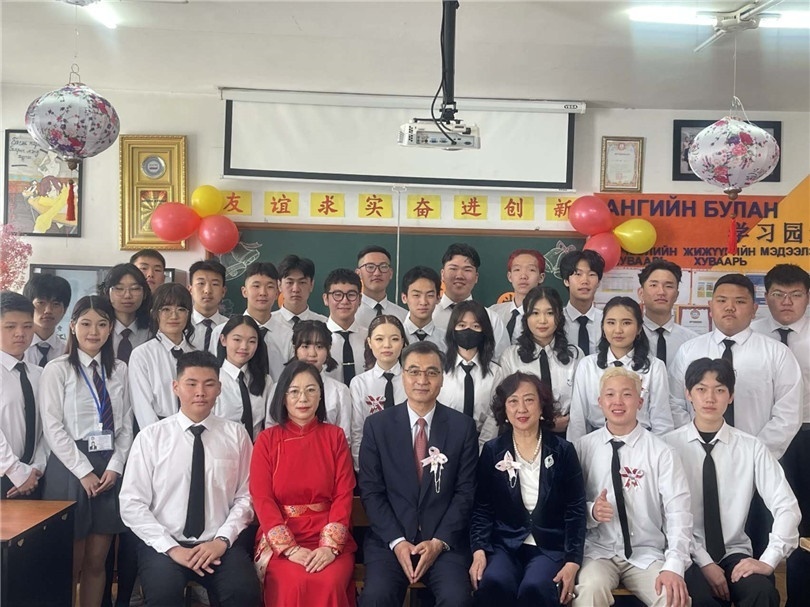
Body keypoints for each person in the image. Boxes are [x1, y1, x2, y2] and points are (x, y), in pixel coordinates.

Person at [119, 351, 260, 607]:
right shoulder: (151, 437)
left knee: (244, 593)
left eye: (209, 384)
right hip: (165, 545)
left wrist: (222, 540)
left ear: (219, 388)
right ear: (176, 387)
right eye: (191, 384)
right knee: (163, 598)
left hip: (219, 543)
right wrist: (172, 548)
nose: (200, 392)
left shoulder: (236, 435)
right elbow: (132, 503)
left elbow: (246, 496)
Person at [663, 358, 800, 607]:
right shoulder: (667, 447)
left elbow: (787, 507)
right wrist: (705, 561)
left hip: (734, 552)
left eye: (719, 390)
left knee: (761, 592)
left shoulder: (752, 447)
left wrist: (768, 560)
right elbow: (664, 515)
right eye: (701, 389)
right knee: (695, 599)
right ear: (688, 394)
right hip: (686, 552)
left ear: (731, 396)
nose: (710, 398)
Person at [358, 340, 478, 607]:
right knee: (376, 598)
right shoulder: (377, 426)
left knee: (457, 599)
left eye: (431, 372)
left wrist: (438, 542)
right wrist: (398, 541)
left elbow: (465, 493)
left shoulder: (462, 427)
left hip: (443, 542)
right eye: (414, 371)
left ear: (442, 379)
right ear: (402, 376)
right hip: (391, 541)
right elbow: (371, 491)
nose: (422, 380)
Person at [39, 296, 134, 607]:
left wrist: (116, 466)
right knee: (70, 563)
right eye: (86, 323)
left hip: (108, 467)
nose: (94, 331)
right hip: (70, 467)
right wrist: (83, 471)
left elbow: (125, 425)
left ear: (111, 328)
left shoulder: (119, 369)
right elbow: (53, 428)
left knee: (97, 562)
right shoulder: (57, 369)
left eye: (102, 324)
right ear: (72, 326)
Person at [573, 367, 691, 607]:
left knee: (673, 598)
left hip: (646, 554)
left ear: (640, 402)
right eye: (610, 395)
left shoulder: (662, 452)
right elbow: (568, 507)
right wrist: (591, 511)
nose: (618, 401)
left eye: (626, 394)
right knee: (590, 590)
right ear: (600, 402)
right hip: (598, 552)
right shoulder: (582, 448)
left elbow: (678, 513)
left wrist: (674, 566)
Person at [469, 372, 586, 606]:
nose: (521, 408)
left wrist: (573, 561)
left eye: (529, 400)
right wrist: (479, 549)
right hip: (504, 544)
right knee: (494, 581)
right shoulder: (493, 450)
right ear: (504, 409)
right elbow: (482, 507)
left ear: (542, 406)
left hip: (549, 546)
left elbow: (576, 509)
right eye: (513, 401)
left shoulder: (563, 451)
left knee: (536, 586)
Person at [251, 360, 357, 607]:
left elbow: (344, 494)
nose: (303, 398)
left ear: (320, 395)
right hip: (282, 538)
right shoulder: (267, 440)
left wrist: (329, 547)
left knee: (329, 581)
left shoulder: (335, 436)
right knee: (293, 582)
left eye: (311, 390)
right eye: (294, 391)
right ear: (283, 397)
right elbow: (262, 498)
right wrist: (289, 549)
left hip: (328, 535)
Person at [669, 273, 802, 459]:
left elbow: (787, 415)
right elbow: (675, 403)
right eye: (722, 300)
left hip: (756, 459)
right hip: (695, 457)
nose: (730, 307)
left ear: (754, 309)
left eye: (740, 301)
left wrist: (753, 454)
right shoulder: (688, 350)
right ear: (710, 307)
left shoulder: (777, 353)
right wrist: (696, 444)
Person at [750, 263, 810, 606]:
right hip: (764, 438)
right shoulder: (751, 332)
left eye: (795, 295)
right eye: (778, 294)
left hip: (807, 437)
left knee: (806, 524)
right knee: (764, 517)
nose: (787, 302)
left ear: (807, 297)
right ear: (765, 296)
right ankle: (763, 593)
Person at [568, 296, 674, 443]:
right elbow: (577, 420)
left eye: (626, 323)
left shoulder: (655, 367)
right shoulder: (587, 365)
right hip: (595, 443)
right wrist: (576, 453)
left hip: (640, 443)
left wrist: (656, 453)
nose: (618, 330)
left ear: (639, 328)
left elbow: (662, 421)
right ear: (603, 328)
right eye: (611, 322)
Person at [500, 286, 583, 436]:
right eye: (535, 313)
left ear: (559, 316)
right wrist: (543, 423)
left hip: (567, 433)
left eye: (550, 313)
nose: (542, 320)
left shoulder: (575, 355)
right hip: (524, 433)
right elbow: (505, 402)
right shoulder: (511, 356)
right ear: (526, 317)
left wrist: (569, 421)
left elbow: (582, 402)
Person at [267, 320, 352, 443]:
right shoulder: (278, 388)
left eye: (319, 347)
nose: (312, 354)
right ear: (295, 348)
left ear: (328, 349)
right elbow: (271, 430)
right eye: (305, 346)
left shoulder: (339, 391)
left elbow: (345, 437)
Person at [208, 261, 292, 382]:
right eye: (256, 286)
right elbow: (213, 372)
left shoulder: (288, 335)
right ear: (244, 291)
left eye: (269, 287)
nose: (263, 293)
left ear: (277, 294)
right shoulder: (221, 332)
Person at [128, 284, 196, 429]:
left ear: (189, 314)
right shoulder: (142, 355)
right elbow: (142, 407)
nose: (174, 316)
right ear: (154, 314)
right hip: (158, 430)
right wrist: (159, 437)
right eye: (166, 309)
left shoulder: (197, 354)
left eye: (181, 309)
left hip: (195, 430)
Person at [0, 291, 47, 499]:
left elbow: (49, 426)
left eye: (27, 326)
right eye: (10, 327)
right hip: (6, 474)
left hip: (34, 477)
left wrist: (37, 467)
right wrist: (15, 470)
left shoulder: (40, 374)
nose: (20, 333)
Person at [438, 301, 502, 449]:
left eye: (475, 326)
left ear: (484, 331)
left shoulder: (496, 372)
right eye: (461, 325)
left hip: (482, 444)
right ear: (452, 329)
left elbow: (494, 417)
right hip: (443, 444)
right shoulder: (439, 369)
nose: (468, 330)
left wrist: (481, 449)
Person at [432, 243, 509, 360]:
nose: (459, 275)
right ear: (442, 274)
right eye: (453, 269)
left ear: (476, 277)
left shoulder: (491, 319)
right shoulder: (429, 315)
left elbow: (501, 361)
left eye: (467, 270)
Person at [350, 315, 408, 469]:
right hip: (372, 463)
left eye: (394, 339)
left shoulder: (412, 380)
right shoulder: (359, 383)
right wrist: (362, 469)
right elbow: (357, 433)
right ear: (369, 342)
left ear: (403, 342)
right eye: (379, 339)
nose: (387, 345)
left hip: (408, 461)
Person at [214, 315, 271, 440]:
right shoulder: (213, 379)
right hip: (222, 447)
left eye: (252, 341)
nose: (244, 347)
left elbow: (269, 424)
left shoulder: (265, 381)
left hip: (257, 448)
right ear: (223, 340)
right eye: (237, 339)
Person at [637, 259, 697, 367]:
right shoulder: (629, 337)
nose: (661, 292)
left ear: (677, 295)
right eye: (653, 285)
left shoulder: (692, 341)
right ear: (641, 293)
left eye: (669, 286)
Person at [488, 249, 545, 345]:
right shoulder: (493, 313)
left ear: (541, 277)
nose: (523, 276)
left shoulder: (548, 316)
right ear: (509, 276)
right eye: (517, 270)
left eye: (531, 270)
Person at [322, 268, 368, 387]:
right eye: (337, 295)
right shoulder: (317, 340)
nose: (345, 301)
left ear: (360, 299)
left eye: (351, 295)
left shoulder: (370, 339)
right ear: (326, 299)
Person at [100, 263, 152, 365]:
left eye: (135, 288)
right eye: (119, 288)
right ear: (107, 293)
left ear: (145, 293)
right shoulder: (99, 330)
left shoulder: (153, 331)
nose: (127, 295)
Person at [560, 250, 604, 357]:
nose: (585, 281)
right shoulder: (556, 320)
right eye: (578, 274)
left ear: (598, 282)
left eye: (591, 274)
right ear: (566, 281)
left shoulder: (606, 321)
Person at [22, 272, 71, 367]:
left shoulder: (68, 352)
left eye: (56, 304)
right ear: (28, 306)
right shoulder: (16, 348)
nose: (48, 310)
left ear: (65, 310)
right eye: (41, 303)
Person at [271, 254, 328, 331]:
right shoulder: (267, 324)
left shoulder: (324, 325)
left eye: (302, 282)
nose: (295, 289)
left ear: (311, 285)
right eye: (289, 282)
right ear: (279, 285)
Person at [355, 245, 407, 326]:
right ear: (358, 274)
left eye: (383, 267)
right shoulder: (350, 314)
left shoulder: (404, 317)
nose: (377, 273)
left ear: (391, 273)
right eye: (370, 267)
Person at [400, 265, 446, 351]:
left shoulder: (446, 340)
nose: (423, 302)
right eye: (416, 295)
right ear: (404, 298)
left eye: (430, 295)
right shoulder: (395, 337)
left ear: (438, 298)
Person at [187, 260, 228, 352]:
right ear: (190, 289)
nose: (207, 290)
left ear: (223, 291)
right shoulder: (180, 325)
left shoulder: (230, 327)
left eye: (215, 284)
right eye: (201, 283)